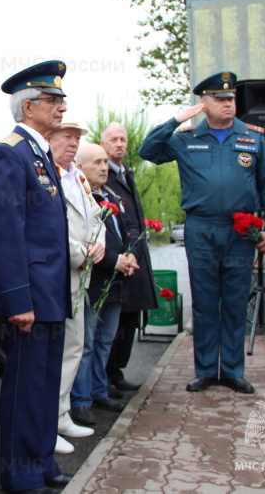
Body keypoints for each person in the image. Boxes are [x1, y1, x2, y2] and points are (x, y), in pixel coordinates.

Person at [140, 71, 265, 394]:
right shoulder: (186, 137)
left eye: (231, 99)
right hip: (201, 228)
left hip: (240, 231)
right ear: (203, 104)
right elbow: (147, 151)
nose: (228, 104)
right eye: (219, 99)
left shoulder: (253, 138)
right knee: (205, 301)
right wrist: (175, 120)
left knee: (234, 300)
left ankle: (232, 370)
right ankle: (205, 369)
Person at [0, 60, 73, 494]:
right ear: (28, 107)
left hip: (51, 292)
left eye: (60, 99)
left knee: (45, 385)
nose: (60, 107)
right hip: (30, 297)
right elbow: (5, 232)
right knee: (24, 388)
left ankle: (41, 463)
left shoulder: (39, 151)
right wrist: (18, 299)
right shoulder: (9, 152)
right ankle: (19, 474)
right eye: (52, 100)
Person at [70, 143, 138, 427]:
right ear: (81, 167)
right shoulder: (80, 197)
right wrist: (114, 261)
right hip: (95, 280)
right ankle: (80, 400)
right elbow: (85, 241)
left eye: (105, 163)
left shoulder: (111, 194)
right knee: (86, 343)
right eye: (97, 162)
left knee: (105, 341)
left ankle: (99, 390)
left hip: (116, 281)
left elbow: (128, 227)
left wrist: (131, 254)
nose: (104, 167)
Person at [47, 122, 103, 454]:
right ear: (50, 139)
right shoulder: (49, 176)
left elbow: (96, 216)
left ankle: (61, 413)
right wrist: (82, 253)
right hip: (62, 272)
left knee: (74, 345)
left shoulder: (76, 177)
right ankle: (47, 420)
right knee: (58, 348)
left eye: (77, 139)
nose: (73, 143)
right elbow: (52, 225)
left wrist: (100, 245)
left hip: (83, 271)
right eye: (66, 137)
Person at [100, 122, 157, 394]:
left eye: (123, 139)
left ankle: (117, 370)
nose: (119, 144)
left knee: (131, 317)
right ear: (103, 143)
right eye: (113, 139)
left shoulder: (126, 173)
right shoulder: (101, 175)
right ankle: (106, 375)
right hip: (115, 260)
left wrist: (135, 253)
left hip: (134, 258)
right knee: (114, 321)